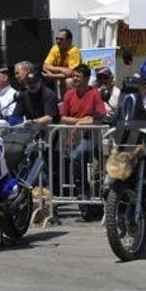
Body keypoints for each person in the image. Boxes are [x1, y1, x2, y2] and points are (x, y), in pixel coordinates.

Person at [59, 63, 106, 222]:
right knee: (74, 159)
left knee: (77, 157)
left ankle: (94, 199)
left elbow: (99, 117)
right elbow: (63, 117)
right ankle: (83, 199)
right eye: (73, 76)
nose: (74, 79)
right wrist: (81, 121)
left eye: (78, 77)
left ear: (86, 78)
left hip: (92, 138)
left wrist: (82, 124)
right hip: (73, 138)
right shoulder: (69, 94)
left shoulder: (95, 94)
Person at [42, 28, 82, 97]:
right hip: (62, 81)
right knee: (43, 77)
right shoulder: (55, 49)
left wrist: (53, 76)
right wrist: (62, 69)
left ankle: (73, 102)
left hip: (77, 81)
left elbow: (72, 73)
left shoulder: (74, 51)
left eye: (61, 39)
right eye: (57, 39)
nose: (58, 41)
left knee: (69, 81)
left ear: (69, 41)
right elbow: (45, 66)